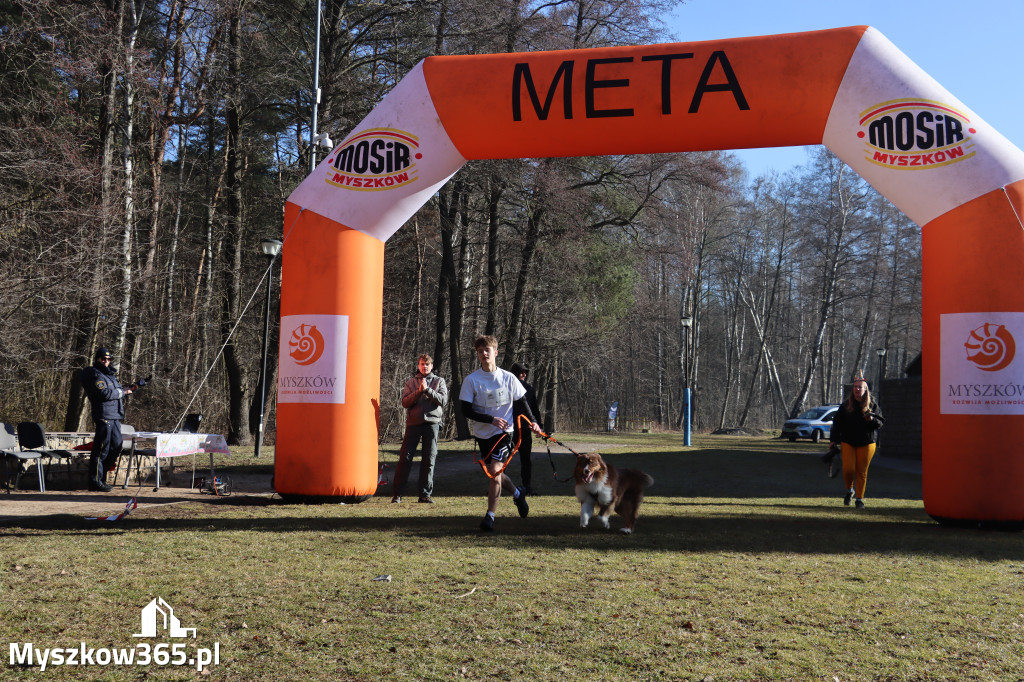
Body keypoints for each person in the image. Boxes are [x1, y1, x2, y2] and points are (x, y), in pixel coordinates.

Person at [459, 335, 543, 531]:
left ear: (495, 352)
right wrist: (491, 419)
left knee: (495, 471)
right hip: (483, 435)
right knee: (494, 473)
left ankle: (490, 516)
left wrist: (534, 423)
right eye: (480, 351)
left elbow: (523, 402)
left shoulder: (509, 378)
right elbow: (466, 410)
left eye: (487, 350)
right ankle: (517, 494)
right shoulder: (472, 380)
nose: (484, 354)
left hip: (505, 434)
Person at [391, 354, 448, 504]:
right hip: (413, 425)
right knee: (405, 458)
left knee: (429, 460)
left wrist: (428, 390)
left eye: (427, 364)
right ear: (418, 366)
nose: (425, 367)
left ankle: (424, 495)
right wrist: (418, 391)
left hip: (432, 424)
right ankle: (397, 494)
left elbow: (443, 400)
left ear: (432, 366)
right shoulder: (410, 382)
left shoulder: (439, 381)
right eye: (422, 364)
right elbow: (405, 402)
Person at [81, 347, 134, 492]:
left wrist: (128, 390)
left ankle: (102, 478)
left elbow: (116, 392)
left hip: (115, 416)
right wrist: (122, 392)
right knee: (101, 450)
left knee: (116, 445)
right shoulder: (95, 374)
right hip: (104, 415)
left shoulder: (109, 375)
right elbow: (104, 394)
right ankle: (95, 481)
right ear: (97, 359)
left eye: (108, 359)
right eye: (103, 359)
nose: (106, 361)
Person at [829, 371, 884, 509]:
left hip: (867, 442)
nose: (857, 389)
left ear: (865, 390)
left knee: (861, 472)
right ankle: (849, 490)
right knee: (848, 469)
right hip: (848, 441)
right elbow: (837, 423)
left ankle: (859, 500)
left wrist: (871, 419)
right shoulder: (846, 405)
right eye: (855, 387)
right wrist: (833, 440)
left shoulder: (872, 404)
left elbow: (880, 423)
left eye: (860, 387)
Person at [510, 362, 541, 494]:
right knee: (502, 460)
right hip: (509, 430)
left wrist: (538, 425)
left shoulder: (529, 389)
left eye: (525, 372)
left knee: (526, 459)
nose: (524, 374)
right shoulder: (507, 387)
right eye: (521, 372)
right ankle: (496, 486)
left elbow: (534, 409)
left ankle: (527, 486)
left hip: (525, 430)